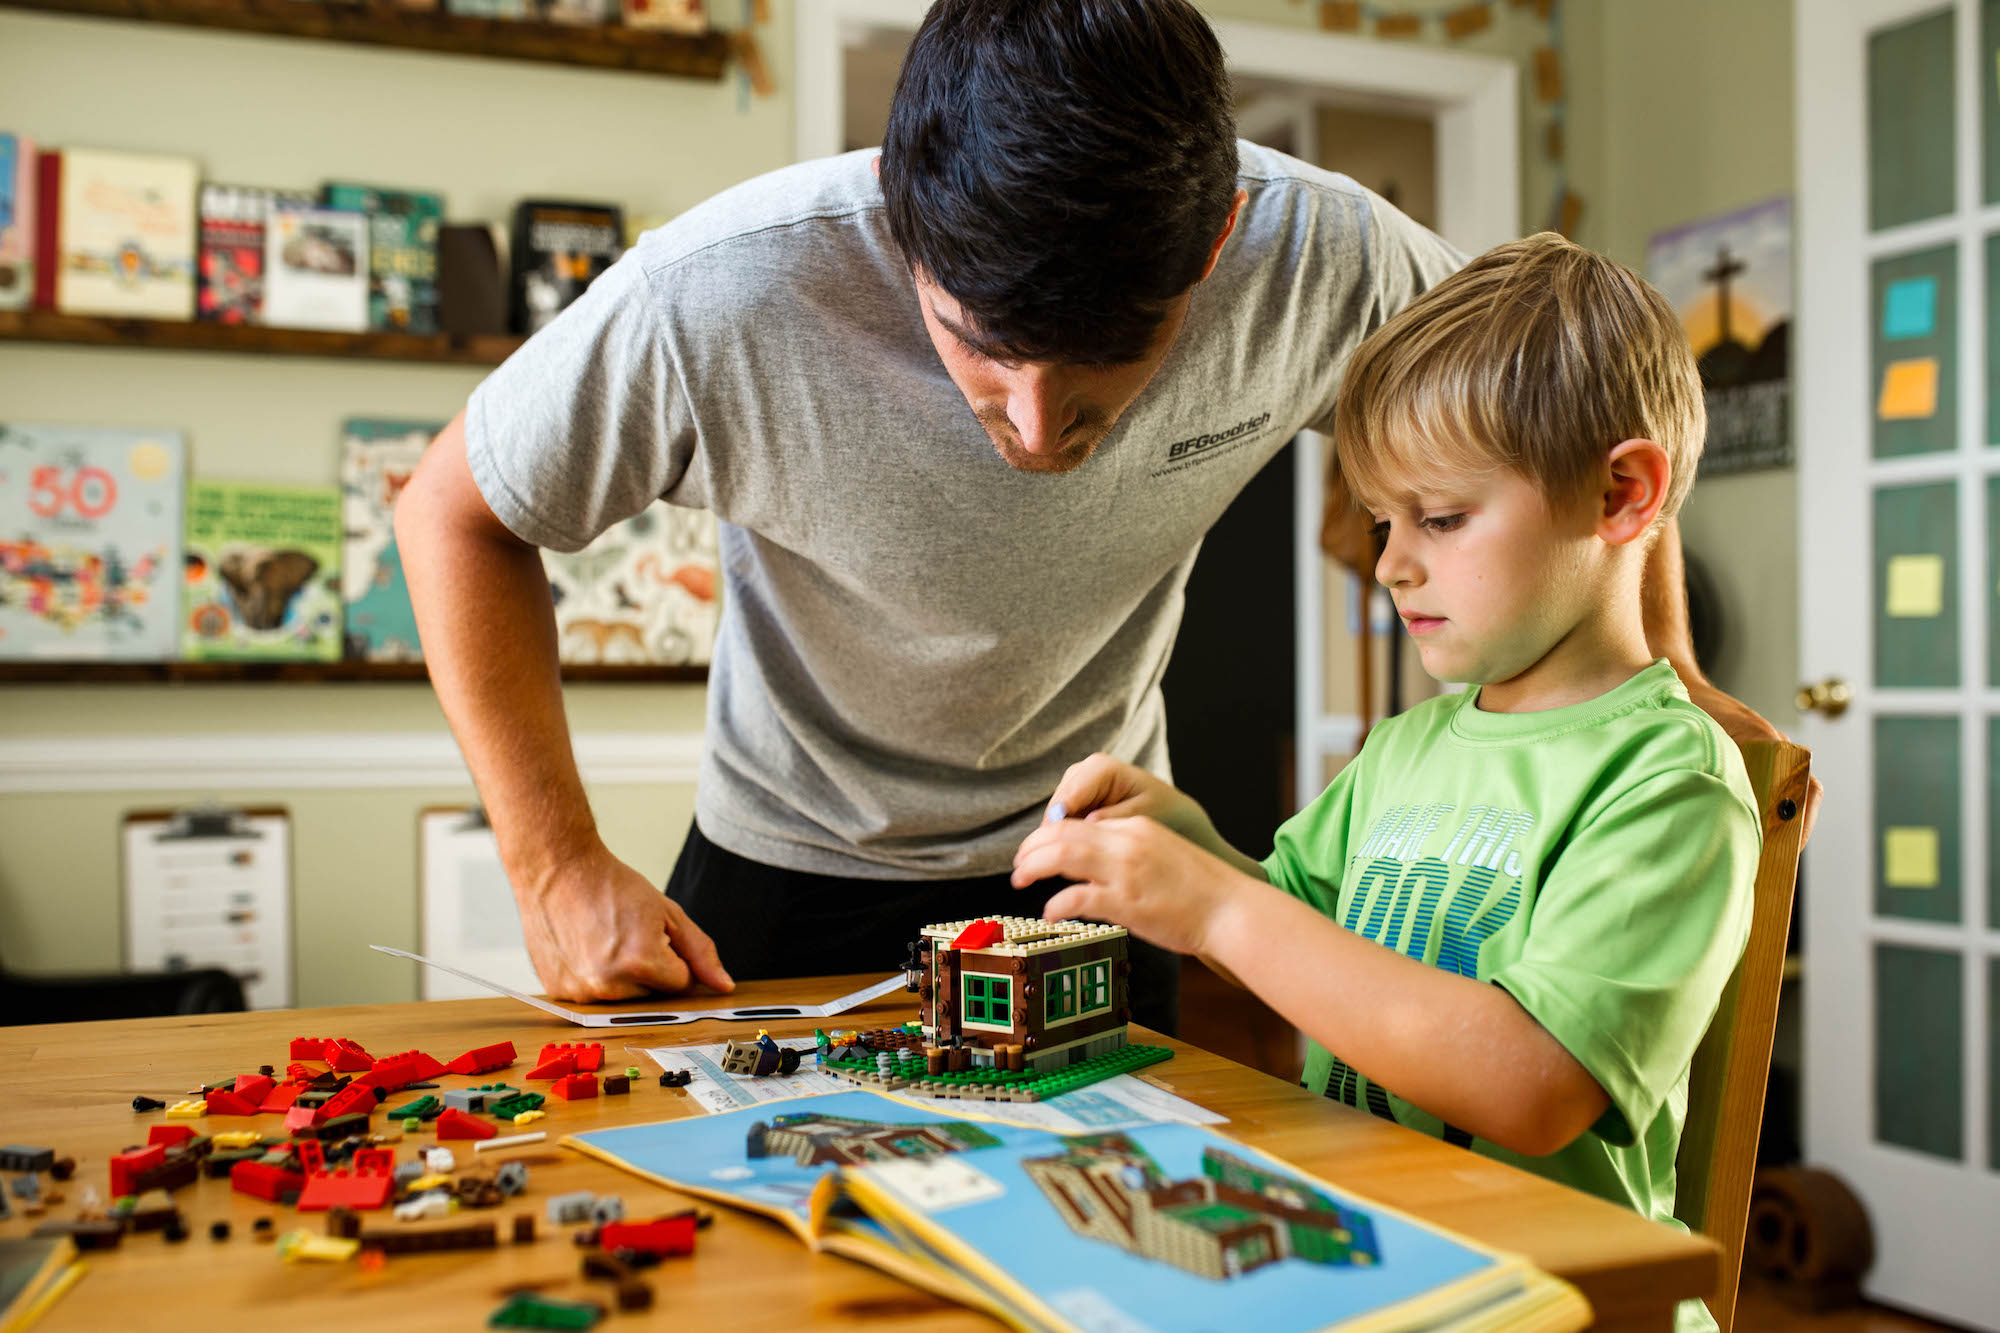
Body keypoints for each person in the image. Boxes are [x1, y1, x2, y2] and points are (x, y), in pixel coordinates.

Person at [393, 0, 1792, 1033]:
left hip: (1099, 856)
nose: (1039, 428)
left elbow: (1577, 422)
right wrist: (555, 862)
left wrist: (1658, 687)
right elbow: (451, 510)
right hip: (784, 873)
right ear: (900, 225)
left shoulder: (1328, 256)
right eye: (978, 352)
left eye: (1107, 368)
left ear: (1225, 240)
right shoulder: (722, 292)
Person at [1011, 233, 1758, 1333]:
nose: (1391, 560)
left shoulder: (1666, 778)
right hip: (1373, 1264)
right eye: (1380, 520)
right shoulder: (1409, 746)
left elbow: (1532, 1082)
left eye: (1440, 518)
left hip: (1549, 1305)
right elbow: (1308, 936)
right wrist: (1194, 847)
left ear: (1619, 495)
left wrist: (1214, 902)